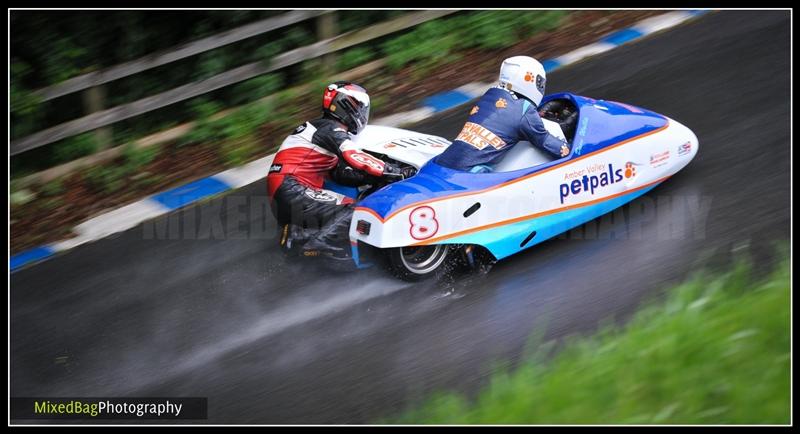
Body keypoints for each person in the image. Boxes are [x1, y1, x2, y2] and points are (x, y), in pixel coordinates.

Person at [267, 81, 412, 258]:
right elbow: (355, 156)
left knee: (348, 206)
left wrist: (373, 178)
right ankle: (318, 242)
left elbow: (339, 174)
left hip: (285, 194)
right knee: (362, 211)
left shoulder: (319, 132)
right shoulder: (330, 128)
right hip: (293, 188)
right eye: (360, 107)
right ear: (347, 105)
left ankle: (299, 234)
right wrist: (395, 171)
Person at [434, 56, 570, 172]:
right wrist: (570, 149)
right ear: (532, 81)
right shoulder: (524, 110)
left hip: (443, 162)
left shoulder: (490, 94)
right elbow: (547, 142)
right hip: (470, 174)